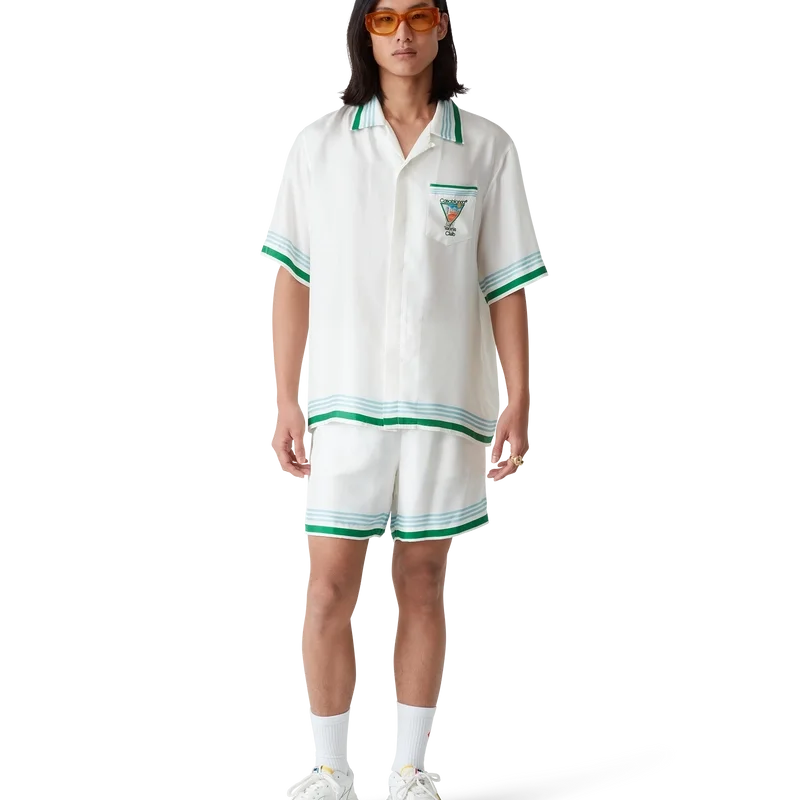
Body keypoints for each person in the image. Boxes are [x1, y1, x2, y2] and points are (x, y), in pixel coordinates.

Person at [269, 1, 547, 796]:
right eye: (384, 18)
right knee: (328, 586)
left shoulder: (485, 144)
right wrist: (285, 398)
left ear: (442, 30)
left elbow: (505, 284)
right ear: (363, 31)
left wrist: (519, 397)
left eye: (418, 16)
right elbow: (292, 277)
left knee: (423, 582)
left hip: (443, 402)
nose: (402, 34)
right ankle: (328, 769)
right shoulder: (318, 142)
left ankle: (412, 772)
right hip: (342, 404)